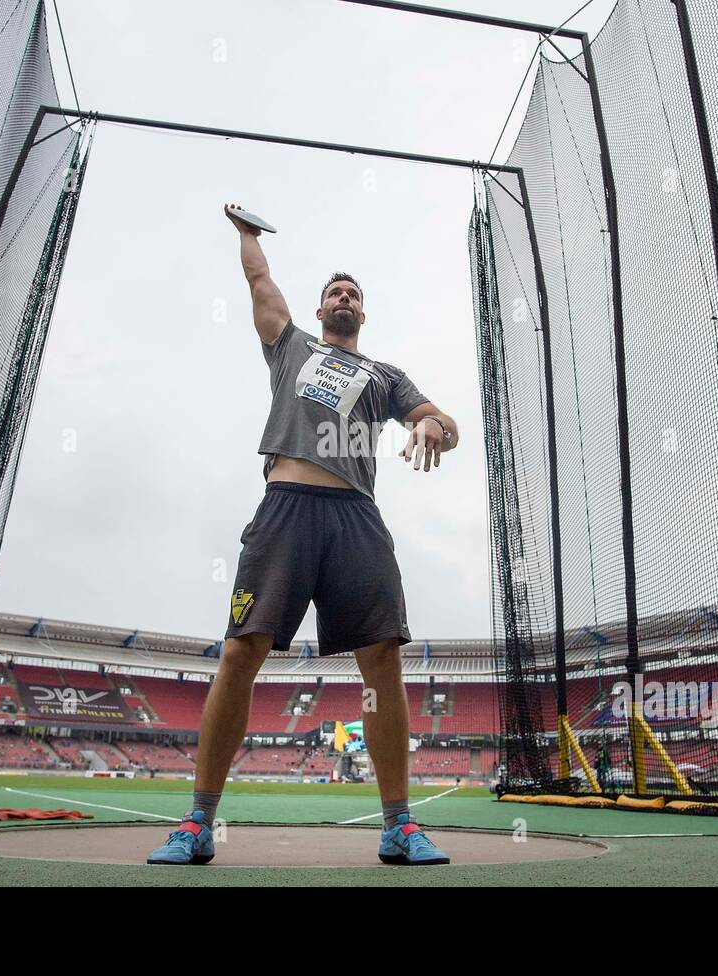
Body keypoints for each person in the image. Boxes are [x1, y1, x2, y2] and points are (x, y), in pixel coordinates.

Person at [147, 203, 459, 867]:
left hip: (356, 518)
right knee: (240, 652)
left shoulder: (384, 375)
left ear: (362, 314)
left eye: (353, 294)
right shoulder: (291, 347)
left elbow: (443, 422)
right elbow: (260, 285)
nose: (343, 298)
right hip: (285, 507)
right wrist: (250, 240)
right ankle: (197, 823)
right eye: (333, 293)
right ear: (320, 311)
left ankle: (399, 826)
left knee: (381, 662)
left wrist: (434, 427)